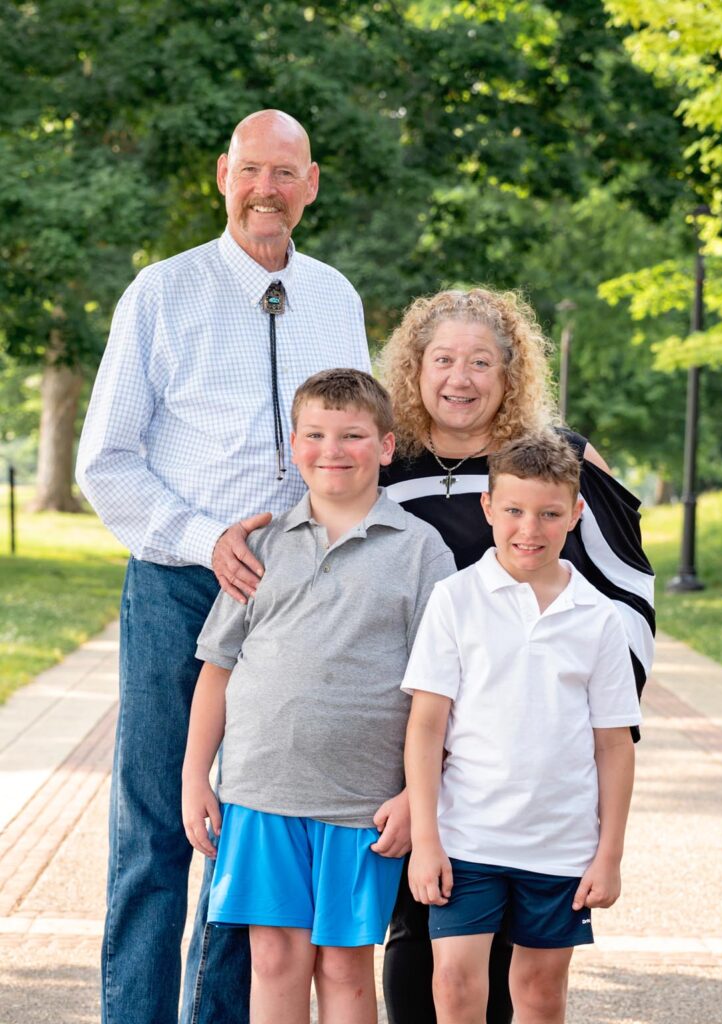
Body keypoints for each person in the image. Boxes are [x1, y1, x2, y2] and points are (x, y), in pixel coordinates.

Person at [75, 110, 371, 1024]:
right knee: (158, 831)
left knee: (252, 842)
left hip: (295, 603)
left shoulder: (336, 298)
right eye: (250, 171)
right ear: (221, 175)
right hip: (179, 585)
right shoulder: (161, 294)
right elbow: (104, 462)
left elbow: (356, 447)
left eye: (284, 174)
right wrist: (208, 537)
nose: (265, 191)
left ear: (310, 185)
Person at [377, 287, 655, 1023]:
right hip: (409, 748)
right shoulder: (384, 465)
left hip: (524, 772)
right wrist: (415, 781)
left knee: (525, 975)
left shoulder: (552, 462)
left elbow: (625, 597)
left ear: (511, 374)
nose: (459, 379)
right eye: (442, 360)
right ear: (414, 367)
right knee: (422, 943)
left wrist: (580, 734)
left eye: (480, 362)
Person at [181, 369, 456, 1024]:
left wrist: (418, 797)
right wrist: (196, 776)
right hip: (259, 793)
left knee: (343, 964)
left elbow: (443, 693)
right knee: (273, 959)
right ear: (295, 446)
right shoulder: (260, 546)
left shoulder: (420, 551)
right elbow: (217, 668)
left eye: (352, 435)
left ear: (386, 446)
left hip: (361, 804)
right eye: (315, 435)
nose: (332, 449)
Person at [402, 432, 642, 1024]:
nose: (528, 528)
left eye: (549, 514)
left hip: (560, 844)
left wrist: (608, 853)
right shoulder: (454, 599)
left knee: (538, 991)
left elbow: (613, 744)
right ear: (487, 508)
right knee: (455, 985)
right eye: (512, 510)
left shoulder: (599, 618)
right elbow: (427, 727)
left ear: (576, 514)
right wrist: (427, 839)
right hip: (467, 837)